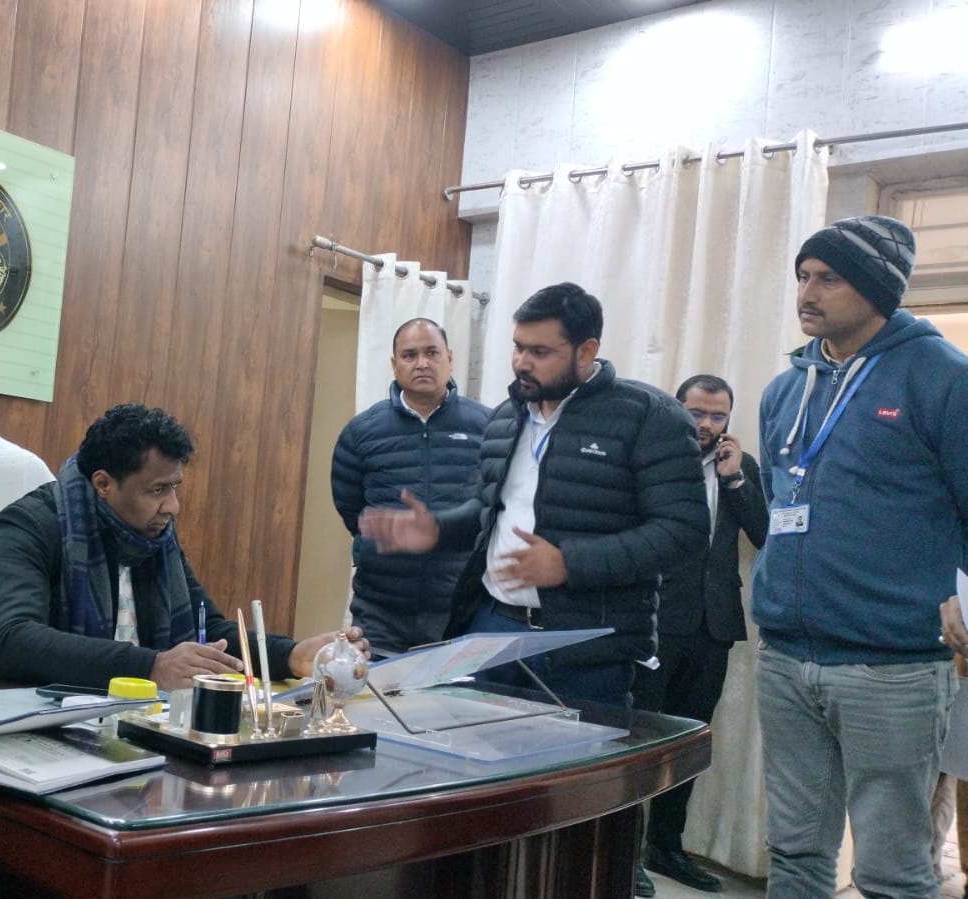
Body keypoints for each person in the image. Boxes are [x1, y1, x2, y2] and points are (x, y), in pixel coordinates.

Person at [358, 282, 708, 711]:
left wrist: (568, 563)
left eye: (539, 352)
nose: (521, 363)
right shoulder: (506, 417)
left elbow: (684, 532)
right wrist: (437, 529)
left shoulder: (649, 417)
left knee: (577, 756)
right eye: (518, 347)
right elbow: (491, 511)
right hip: (492, 632)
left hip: (585, 649)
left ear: (586, 351)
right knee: (479, 750)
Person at [754, 215, 968, 897]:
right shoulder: (784, 390)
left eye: (828, 278)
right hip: (786, 657)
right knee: (793, 854)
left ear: (877, 289)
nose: (806, 292)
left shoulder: (943, 378)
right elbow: (779, 502)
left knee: (890, 870)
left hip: (892, 665)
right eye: (802, 276)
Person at [0, 403, 368, 690]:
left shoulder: (154, 537)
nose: (173, 506)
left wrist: (291, 655)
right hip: (17, 724)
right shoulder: (27, 525)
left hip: (124, 724)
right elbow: (12, 641)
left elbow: (210, 634)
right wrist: (151, 666)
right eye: (157, 490)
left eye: (175, 487)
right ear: (103, 484)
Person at [632, 374, 767, 893]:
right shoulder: (652, 458)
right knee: (639, 743)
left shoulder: (741, 465)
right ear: (677, 409)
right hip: (655, 622)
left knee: (688, 744)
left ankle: (666, 847)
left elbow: (765, 533)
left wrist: (734, 481)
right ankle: (626, 851)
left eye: (717, 415)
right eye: (697, 413)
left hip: (713, 625)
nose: (707, 424)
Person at [331, 318, 488, 656]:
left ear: (450, 358)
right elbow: (351, 509)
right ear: (394, 365)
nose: (422, 363)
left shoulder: (487, 426)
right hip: (380, 611)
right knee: (373, 689)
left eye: (432, 352)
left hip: (460, 610)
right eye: (410, 355)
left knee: (453, 693)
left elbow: (492, 507)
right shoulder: (361, 432)